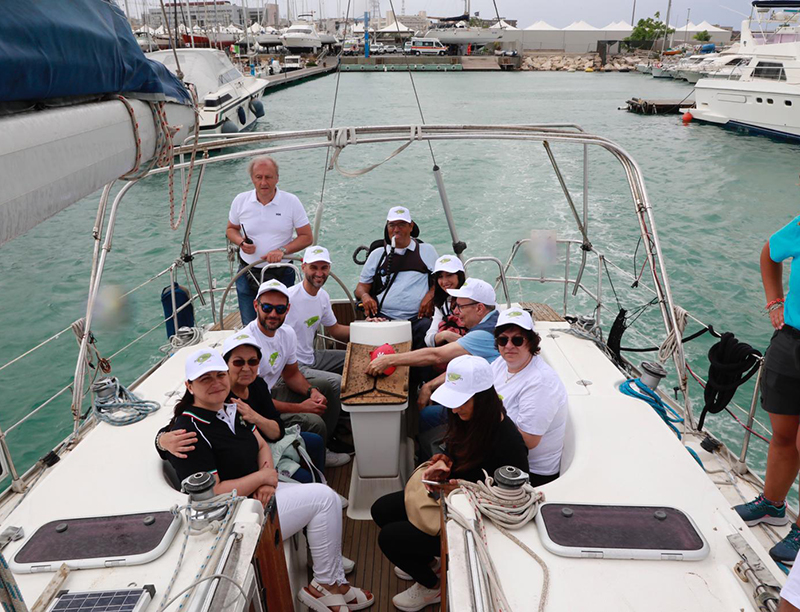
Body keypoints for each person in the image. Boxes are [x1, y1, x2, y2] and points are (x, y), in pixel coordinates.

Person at [166, 348, 374, 612]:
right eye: (205, 378)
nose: (216, 382)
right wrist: (262, 477)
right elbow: (214, 491)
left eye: (220, 375)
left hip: (257, 496)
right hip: (233, 517)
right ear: (189, 386)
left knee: (327, 498)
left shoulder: (231, 409)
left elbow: (262, 445)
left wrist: (266, 480)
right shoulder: (188, 432)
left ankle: (333, 583)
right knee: (323, 500)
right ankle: (326, 585)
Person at [371, 355, 528, 612]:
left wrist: (458, 489)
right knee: (381, 509)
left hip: (475, 520)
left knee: (390, 538)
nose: (454, 410)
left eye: (461, 401)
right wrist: (443, 462)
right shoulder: (467, 418)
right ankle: (429, 563)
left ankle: (434, 586)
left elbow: (512, 500)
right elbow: (457, 455)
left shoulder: (508, 442)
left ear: (483, 398)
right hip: (452, 498)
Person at [157, 332, 326, 484]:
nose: (246, 368)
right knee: (306, 479)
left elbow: (277, 432)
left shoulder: (257, 384)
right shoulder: (218, 396)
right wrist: (161, 441)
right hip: (249, 454)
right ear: (227, 365)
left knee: (316, 442)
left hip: (261, 445)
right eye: (238, 362)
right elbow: (180, 426)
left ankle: (320, 481)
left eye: (252, 361)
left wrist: (254, 416)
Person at [734, 219, 800, 565]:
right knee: (783, 434)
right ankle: (773, 505)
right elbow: (770, 252)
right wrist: (775, 302)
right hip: (790, 341)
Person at [368, 277, 501, 435]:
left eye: (460, 307)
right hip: (486, 391)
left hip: (486, 407)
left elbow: (436, 355)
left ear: (479, 308)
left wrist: (389, 360)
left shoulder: (482, 334)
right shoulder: (495, 319)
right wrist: (429, 386)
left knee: (427, 415)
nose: (456, 312)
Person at [244, 279, 352, 466]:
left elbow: (291, 375)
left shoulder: (287, 333)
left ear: (287, 309)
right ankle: (314, 457)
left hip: (270, 392)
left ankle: (324, 443)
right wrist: (301, 407)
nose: (273, 314)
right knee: (314, 421)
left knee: (326, 387)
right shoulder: (248, 344)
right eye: (267, 307)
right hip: (255, 408)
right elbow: (255, 400)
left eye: (280, 309)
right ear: (256, 305)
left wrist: (312, 391)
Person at [226, 156, 313, 325]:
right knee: (250, 325)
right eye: (259, 177)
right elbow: (231, 229)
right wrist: (241, 242)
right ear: (252, 178)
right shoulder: (240, 201)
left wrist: (282, 251)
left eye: (268, 177)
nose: (263, 182)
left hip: (281, 273)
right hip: (247, 273)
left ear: (277, 178)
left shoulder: (291, 202)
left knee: (282, 325)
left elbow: (307, 237)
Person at [492, 308, 568, 487]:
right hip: (500, 448)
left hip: (528, 471)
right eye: (503, 339)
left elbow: (528, 440)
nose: (509, 346)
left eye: (517, 340)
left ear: (531, 342)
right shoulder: (501, 363)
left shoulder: (541, 382)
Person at [354, 206, 438, 348]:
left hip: (418, 318)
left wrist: (430, 296)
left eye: (402, 224)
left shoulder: (427, 251)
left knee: (428, 329)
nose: (396, 229)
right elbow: (361, 287)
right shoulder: (378, 254)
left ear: (411, 226)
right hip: (384, 318)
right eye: (392, 225)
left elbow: (442, 281)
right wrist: (365, 296)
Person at [285, 245, 350, 375]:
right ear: (303, 267)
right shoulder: (288, 298)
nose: (319, 273)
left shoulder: (323, 296)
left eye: (324, 268)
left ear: (329, 269)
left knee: (355, 358)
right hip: (292, 365)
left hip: (312, 357)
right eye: (314, 267)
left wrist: (367, 328)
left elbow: (335, 330)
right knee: (336, 381)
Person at [423, 255, 467, 349]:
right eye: (440, 277)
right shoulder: (442, 304)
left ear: (459, 275)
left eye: (449, 275)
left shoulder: (473, 298)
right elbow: (428, 338)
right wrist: (445, 335)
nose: (444, 281)